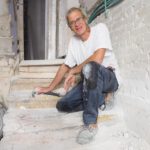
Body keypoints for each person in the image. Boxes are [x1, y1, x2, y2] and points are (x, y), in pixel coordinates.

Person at [35, 7, 120, 144]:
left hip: (108, 77)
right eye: (72, 22)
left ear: (85, 19)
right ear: (70, 27)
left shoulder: (100, 29)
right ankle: (101, 98)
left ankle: (90, 123)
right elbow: (65, 66)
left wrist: (75, 71)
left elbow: (97, 59)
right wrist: (48, 88)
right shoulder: (73, 42)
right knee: (63, 104)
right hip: (89, 82)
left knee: (90, 67)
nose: (77, 24)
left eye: (79, 19)